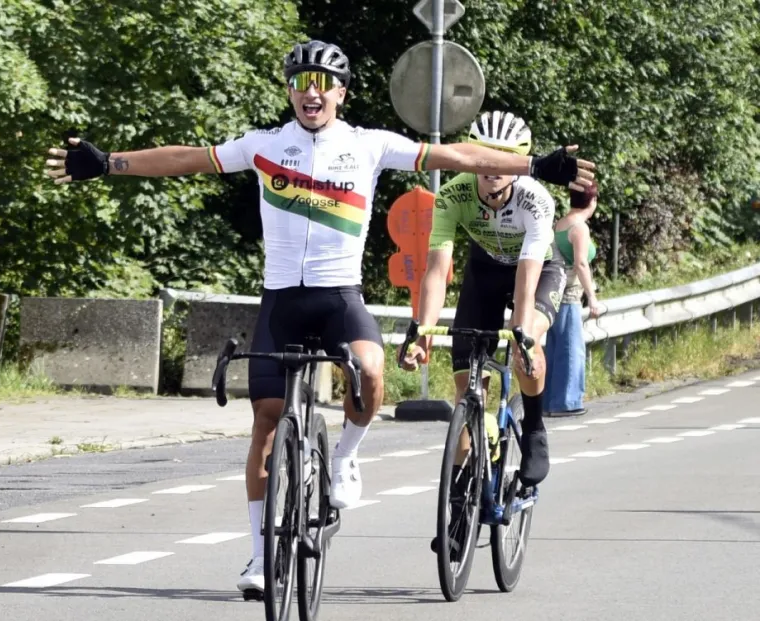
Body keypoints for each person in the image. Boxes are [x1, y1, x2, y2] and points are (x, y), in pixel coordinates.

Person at [43, 40, 595, 595]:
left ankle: (346, 458)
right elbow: (189, 157)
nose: (313, 92)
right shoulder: (262, 146)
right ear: (289, 91)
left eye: (324, 83)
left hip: (339, 297)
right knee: (265, 419)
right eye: (302, 82)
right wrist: (108, 163)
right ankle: (259, 557)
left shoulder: (369, 145)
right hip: (282, 299)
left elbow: (460, 156)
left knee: (372, 371)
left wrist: (534, 165)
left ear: (341, 93)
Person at [401, 110, 573, 557]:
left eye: (507, 158)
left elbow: (527, 280)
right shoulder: (453, 193)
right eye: (485, 156)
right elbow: (437, 273)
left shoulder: (536, 200)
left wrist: (520, 333)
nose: (494, 167)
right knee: (466, 393)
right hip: (483, 275)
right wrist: (421, 330)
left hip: (533, 274)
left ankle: (533, 426)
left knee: (526, 341)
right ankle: (460, 508)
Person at [544, 181, 603, 416]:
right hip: (569, 295)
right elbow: (580, 263)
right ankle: (566, 402)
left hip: (554, 292)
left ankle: (549, 401)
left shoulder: (561, 223)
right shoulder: (579, 227)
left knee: (555, 350)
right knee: (571, 350)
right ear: (593, 201)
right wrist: (593, 297)